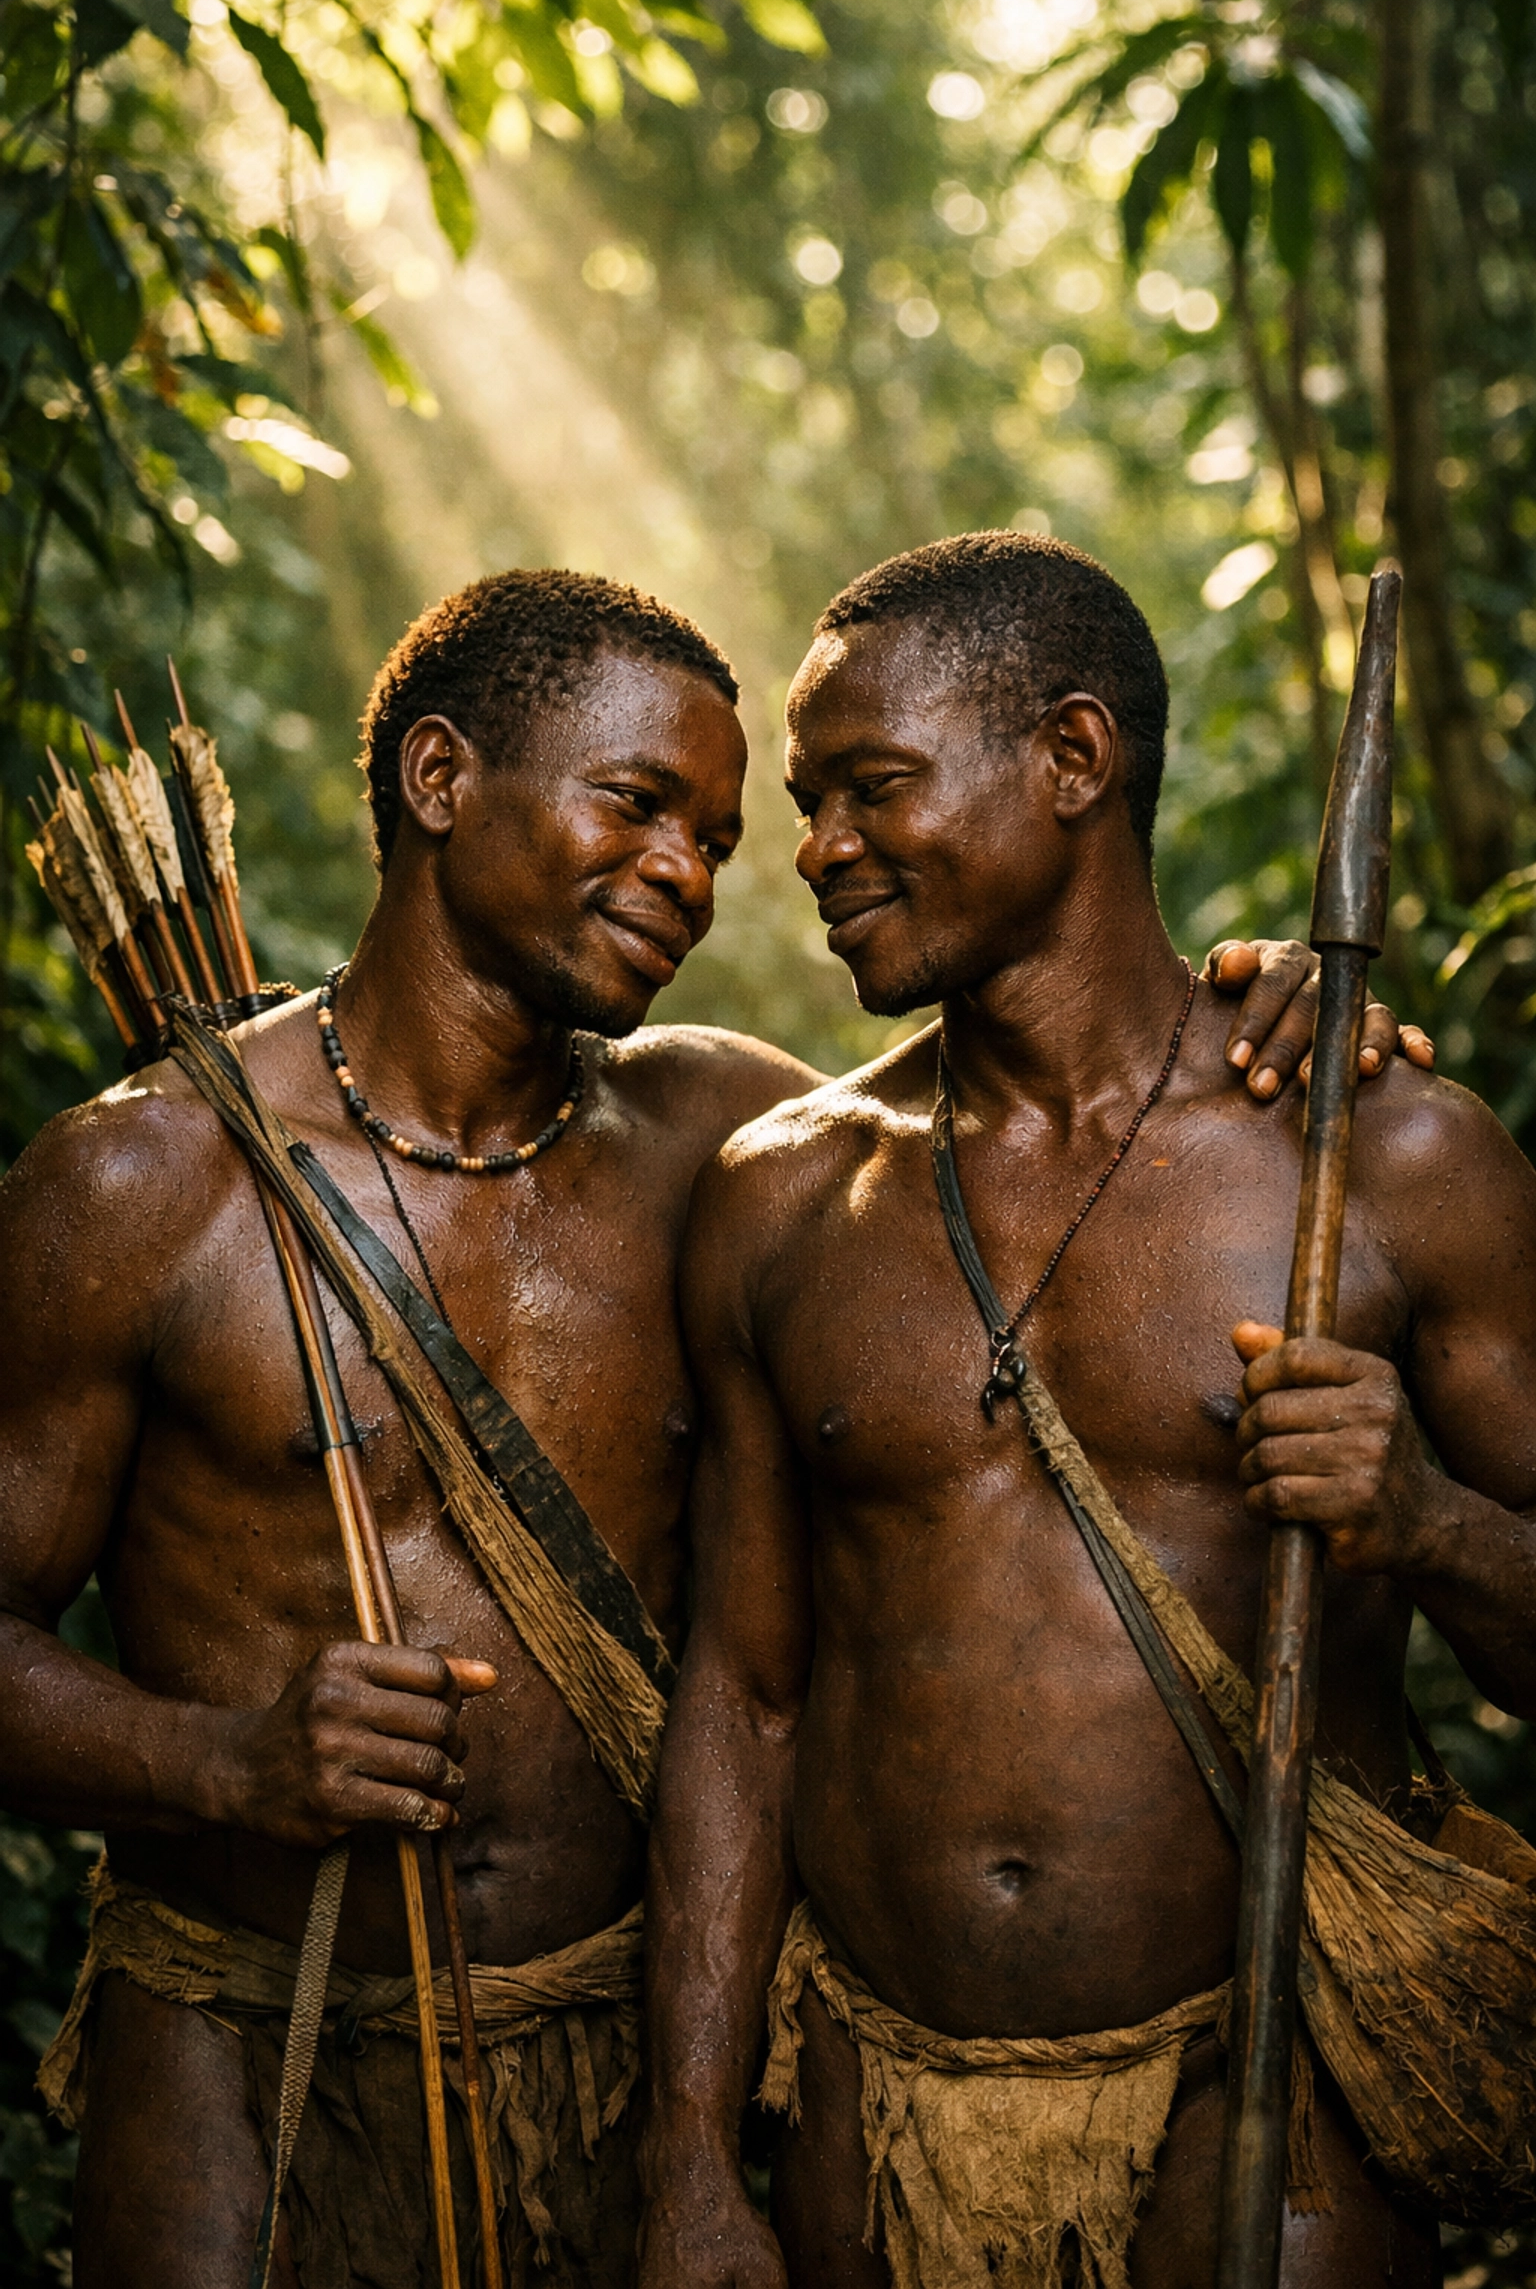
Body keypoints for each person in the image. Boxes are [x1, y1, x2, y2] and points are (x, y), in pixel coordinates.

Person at [0, 565, 1393, 2289]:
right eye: (639, 806)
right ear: (440, 784)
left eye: (723, 837)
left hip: (613, 2042)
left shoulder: (727, 1139)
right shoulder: (143, 1184)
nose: (697, 875)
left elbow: (1034, 1111)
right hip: (237, 2026)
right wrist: (220, 1762)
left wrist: (1267, 1004)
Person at [638, 532, 1532, 2289]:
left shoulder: (1388, 1162)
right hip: (876, 2125)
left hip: (1269, 2118)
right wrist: (686, 2153)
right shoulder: (785, 1201)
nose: (816, 851)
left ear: (1071, 759)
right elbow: (740, 1703)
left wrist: (1422, 1516)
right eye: (812, 803)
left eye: (871, 789)